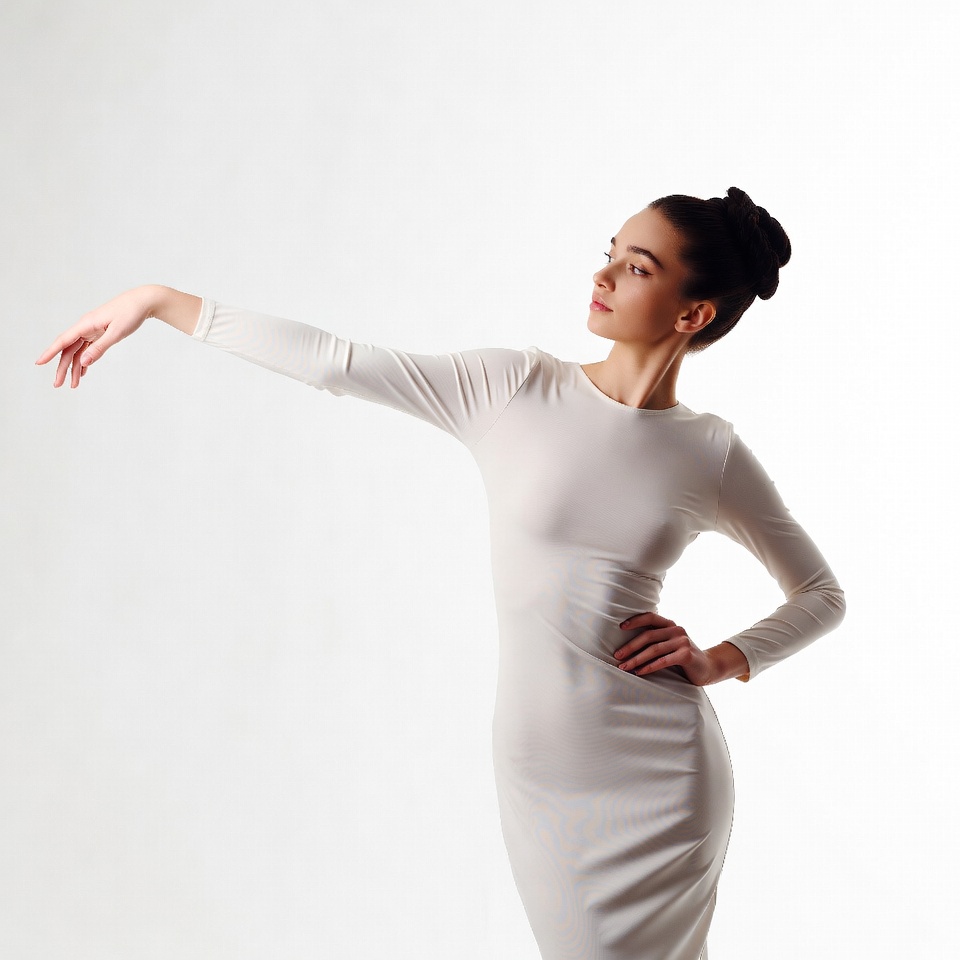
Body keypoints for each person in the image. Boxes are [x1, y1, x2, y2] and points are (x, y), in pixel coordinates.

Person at [36, 186, 845, 960]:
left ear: (692, 313)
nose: (600, 276)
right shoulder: (515, 387)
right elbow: (335, 362)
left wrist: (722, 659)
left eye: (637, 267)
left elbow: (821, 596)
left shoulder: (710, 453)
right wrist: (161, 301)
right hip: (545, 771)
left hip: (665, 779)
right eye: (609, 253)